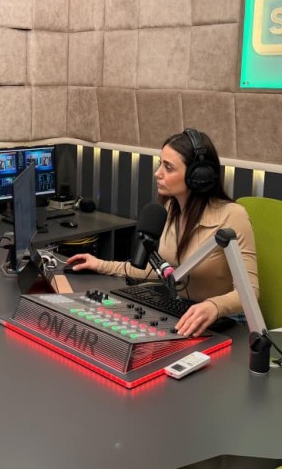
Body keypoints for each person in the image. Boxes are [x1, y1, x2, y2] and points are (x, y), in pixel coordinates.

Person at [67, 129, 258, 337]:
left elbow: (250, 293)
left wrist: (214, 306)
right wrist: (100, 265)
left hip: (227, 322)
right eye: (160, 164)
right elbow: (161, 272)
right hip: (184, 313)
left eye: (168, 167)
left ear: (198, 176)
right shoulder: (169, 210)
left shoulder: (233, 216)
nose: (157, 173)